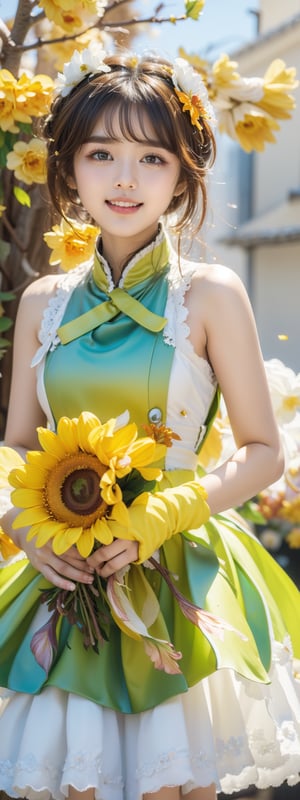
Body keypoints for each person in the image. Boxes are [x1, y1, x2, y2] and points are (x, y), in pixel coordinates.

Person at [0, 46, 299, 800]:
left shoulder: (213, 294)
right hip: (63, 576)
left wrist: (164, 514)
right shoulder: (44, 302)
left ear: (183, 173)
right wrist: (23, 525)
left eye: (152, 157)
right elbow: (13, 448)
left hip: (179, 572)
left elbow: (264, 452)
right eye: (101, 154)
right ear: (67, 167)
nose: (125, 179)